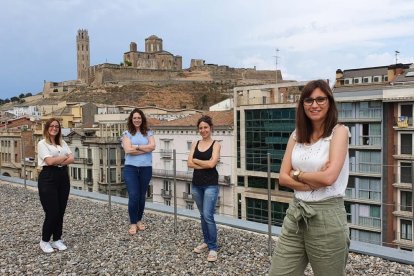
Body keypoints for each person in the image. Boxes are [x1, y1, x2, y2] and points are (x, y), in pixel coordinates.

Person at [269, 80, 350, 276]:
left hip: (327, 217)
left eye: (320, 99)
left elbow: (329, 178)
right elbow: (282, 177)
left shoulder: (339, 132)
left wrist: (298, 174)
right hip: (296, 213)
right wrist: (311, 180)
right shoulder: (296, 135)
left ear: (329, 102)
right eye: (309, 100)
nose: (314, 105)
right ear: (302, 105)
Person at [37, 118, 74, 253]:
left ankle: (57, 239)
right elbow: (49, 161)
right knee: (52, 211)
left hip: (63, 177)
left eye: (57, 126)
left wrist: (58, 161)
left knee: (61, 211)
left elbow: (72, 158)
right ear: (47, 128)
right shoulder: (42, 143)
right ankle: (45, 241)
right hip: (48, 178)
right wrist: (63, 158)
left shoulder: (62, 142)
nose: (54, 128)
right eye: (52, 126)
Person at [187, 115, 221, 262]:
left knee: (208, 215)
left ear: (211, 128)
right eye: (200, 128)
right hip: (196, 184)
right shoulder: (195, 143)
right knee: (202, 215)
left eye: (205, 127)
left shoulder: (216, 144)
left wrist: (196, 160)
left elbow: (212, 165)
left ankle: (213, 248)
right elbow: (189, 164)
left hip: (211, 184)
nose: (203, 130)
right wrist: (203, 163)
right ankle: (206, 242)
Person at [121, 108, 155, 235]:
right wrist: (145, 149)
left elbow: (153, 146)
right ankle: (133, 222)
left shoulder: (149, 133)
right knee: (134, 195)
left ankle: (139, 220)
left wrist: (137, 147)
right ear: (131, 119)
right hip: (131, 168)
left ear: (142, 119)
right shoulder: (127, 133)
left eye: (139, 118)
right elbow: (128, 150)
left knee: (142, 196)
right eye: (134, 118)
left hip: (146, 167)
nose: (137, 120)